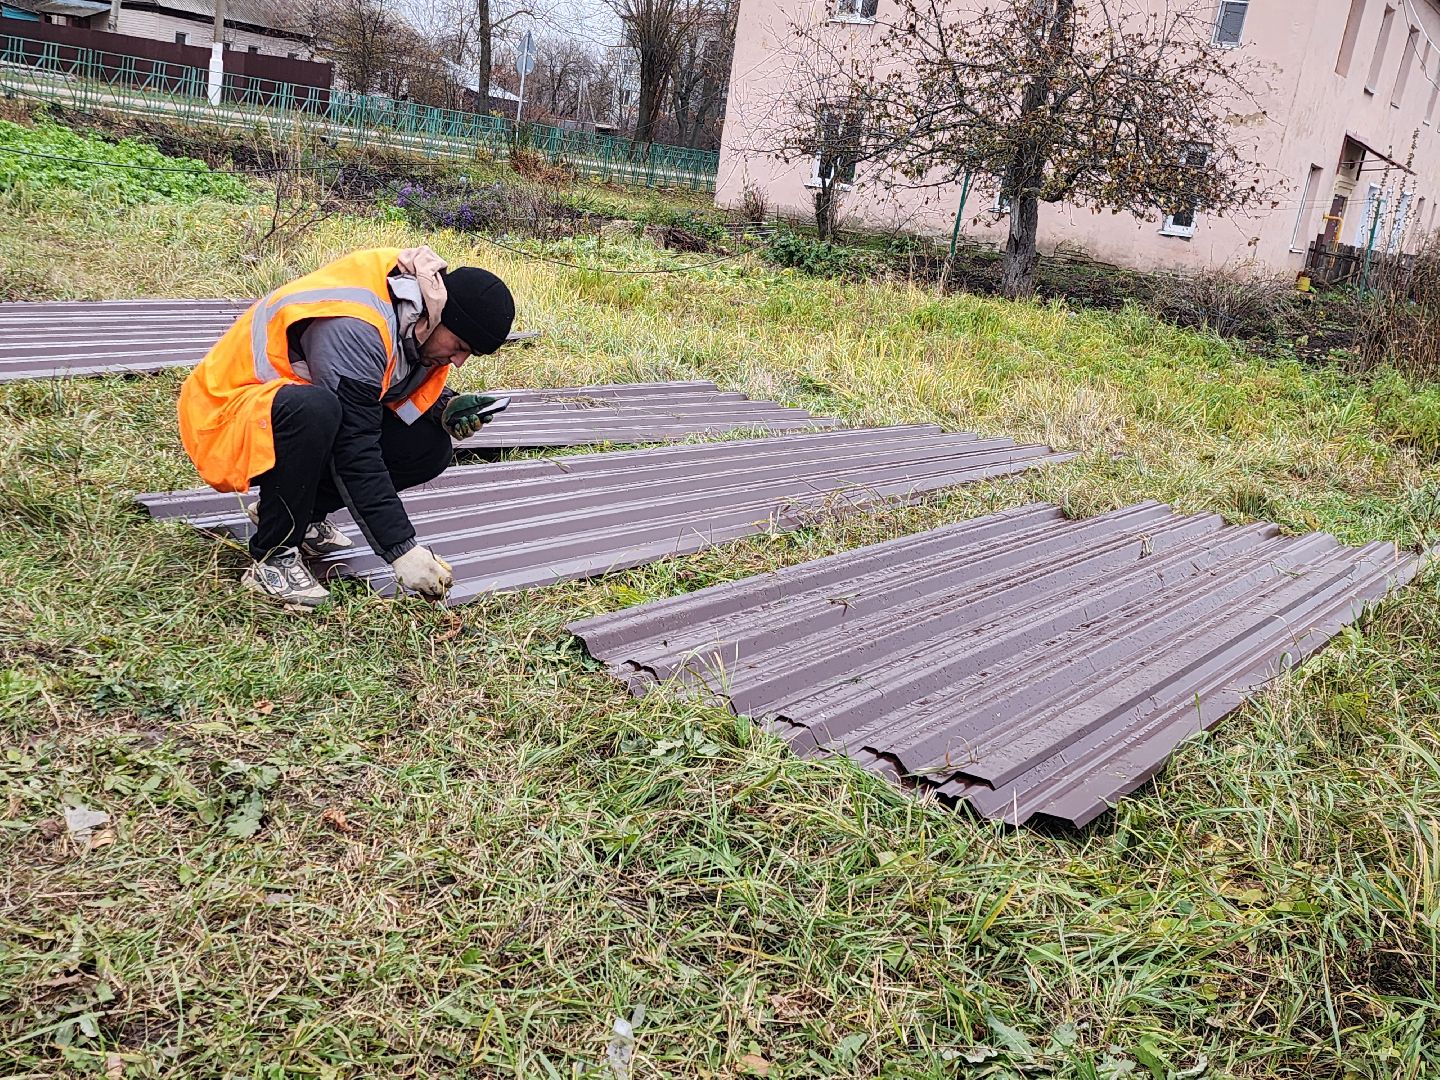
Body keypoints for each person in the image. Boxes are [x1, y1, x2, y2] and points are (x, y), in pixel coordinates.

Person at [177, 246, 515, 610]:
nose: (459, 360)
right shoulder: (358, 324)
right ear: (438, 315)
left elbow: (381, 380)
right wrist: (401, 549)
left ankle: (296, 515)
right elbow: (354, 447)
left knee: (428, 447)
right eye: (460, 346)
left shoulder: (416, 314)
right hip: (226, 416)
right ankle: (272, 557)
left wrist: (444, 406)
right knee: (317, 410)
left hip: (283, 415)